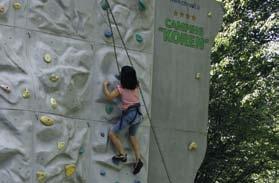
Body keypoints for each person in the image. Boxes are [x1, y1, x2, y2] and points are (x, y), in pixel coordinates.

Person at [103, 66, 144, 175]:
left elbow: (109, 96)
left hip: (129, 115)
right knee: (132, 136)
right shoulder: (136, 84)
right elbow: (128, 79)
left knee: (112, 134)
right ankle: (138, 159)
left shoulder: (121, 88)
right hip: (138, 114)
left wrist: (105, 86)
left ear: (123, 78)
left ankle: (122, 154)